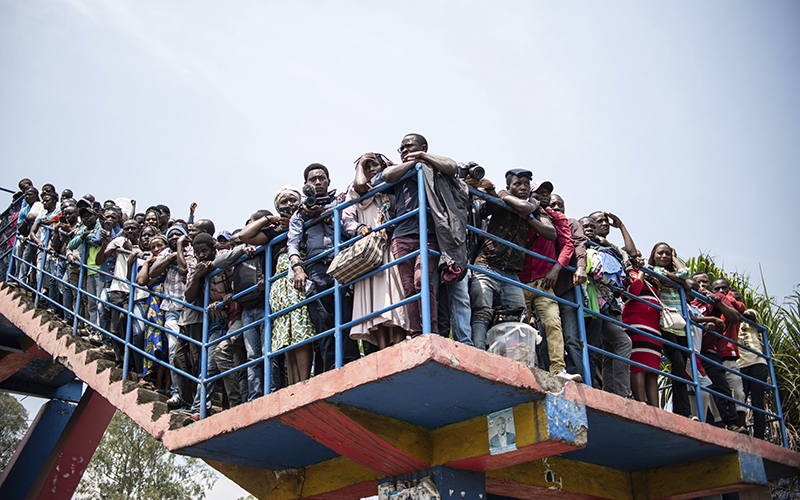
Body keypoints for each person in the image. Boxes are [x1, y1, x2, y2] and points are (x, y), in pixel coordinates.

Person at [371, 134, 458, 336]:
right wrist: (412, 163)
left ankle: (431, 332)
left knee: (422, 281)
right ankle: (416, 332)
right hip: (401, 235)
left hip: (428, 234)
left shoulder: (432, 168)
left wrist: (421, 158)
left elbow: (452, 166)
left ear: (423, 147)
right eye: (401, 148)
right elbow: (384, 177)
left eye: (409, 146)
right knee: (409, 287)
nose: (404, 151)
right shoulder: (401, 172)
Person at [288, 163, 361, 372]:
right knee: (323, 321)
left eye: (322, 178)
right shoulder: (299, 214)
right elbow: (292, 242)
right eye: (313, 180)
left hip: (343, 263)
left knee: (347, 317)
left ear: (329, 181)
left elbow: (349, 225)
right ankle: (331, 371)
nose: (318, 182)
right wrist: (297, 268)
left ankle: (352, 367)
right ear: (306, 185)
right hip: (316, 269)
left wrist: (327, 215)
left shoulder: (340, 201)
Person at [343, 153, 410, 349]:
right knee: (375, 302)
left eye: (376, 165)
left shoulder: (392, 185)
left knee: (396, 298)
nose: (372, 169)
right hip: (370, 250)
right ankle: (382, 348)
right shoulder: (355, 190)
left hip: (391, 246)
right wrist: (360, 164)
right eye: (367, 167)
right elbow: (348, 214)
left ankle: (398, 344)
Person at [469, 169, 538, 351]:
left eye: (526, 184)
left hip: (510, 272)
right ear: (508, 187)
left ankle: (516, 360)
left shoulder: (533, 205)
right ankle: (478, 354)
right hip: (487, 264)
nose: (523, 187)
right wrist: (500, 195)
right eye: (517, 184)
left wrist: (527, 209)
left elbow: (549, 231)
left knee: (517, 316)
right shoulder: (500, 200)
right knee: (482, 312)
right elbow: (484, 208)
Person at [519, 180, 577, 380]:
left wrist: (556, 269)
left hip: (545, 281)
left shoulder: (556, 217)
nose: (544, 196)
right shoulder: (520, 212)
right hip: (521, 279)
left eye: (547, 193)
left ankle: (558, 370)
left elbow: (568, 245)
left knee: (553, 323)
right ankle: (525, 368)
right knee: (522, 325)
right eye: (540, 193)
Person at [579, 216, 633, 397]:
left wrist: (620, 228)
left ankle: (612, 391)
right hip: (591, 304)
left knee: (611, 349)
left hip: (609, 306)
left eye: (593, 226)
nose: (591, 228)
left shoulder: (604, 248)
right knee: (622, 342)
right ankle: (623, 393)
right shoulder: (581, 245)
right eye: (586, 225)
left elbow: (629, 256)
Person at [647, 243, 691, 417]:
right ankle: (683, 411)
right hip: (665, 323)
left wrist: (674, 257)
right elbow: (681, 279)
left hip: (681, 325)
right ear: (654, 255)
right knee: (678, 363)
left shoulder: (669, 270)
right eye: (661, 253)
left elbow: (685, 273)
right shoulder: (652, 269)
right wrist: (680, 281)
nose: (664, 256)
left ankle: (681, 410)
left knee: (681, 368)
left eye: (667, 253)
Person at [548, 194, 588, 378]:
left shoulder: (571, 223)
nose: (556, 207)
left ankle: (576, 374)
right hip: (544, 285)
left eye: (560, 204)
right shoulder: (541, 221)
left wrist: (581, 267)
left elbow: (579, 244)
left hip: (565, 285)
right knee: (545, 331)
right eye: (552, 204)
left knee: (571, 336)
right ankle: (549, 371)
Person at [622, 265, 662, 406]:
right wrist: (642, 273)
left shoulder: (653, 280)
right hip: (636, 324)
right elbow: (633, 292)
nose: (640, 259)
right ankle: (640, 404)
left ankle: (656, 409)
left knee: (652, 370)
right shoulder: (627, 274)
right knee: (638, 366)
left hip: (654, 328)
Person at [711, 277, 747, 427]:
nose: (720, 291)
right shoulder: (708, 304)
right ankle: (721, 425)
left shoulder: (732, 303)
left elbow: (739, 310)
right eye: (717, 289)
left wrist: (722, 298)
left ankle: (741, 425)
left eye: (724, 288)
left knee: (737, 391)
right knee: (716, 392)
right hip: (713, 354)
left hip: (729, 354)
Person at [738, 309, 769, 439]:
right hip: (740, 364)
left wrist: (735, 309)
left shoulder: (746, 314)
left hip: (757, 362)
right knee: (741, 400)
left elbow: (750, 315)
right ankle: (742, 429)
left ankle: (759, 437)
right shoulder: (730, 320)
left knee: (757, 402)